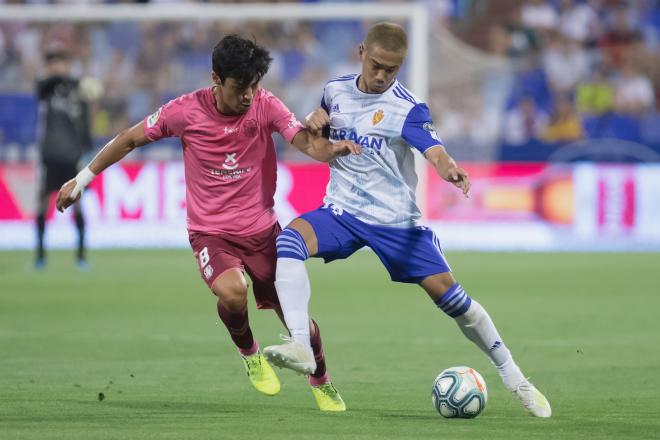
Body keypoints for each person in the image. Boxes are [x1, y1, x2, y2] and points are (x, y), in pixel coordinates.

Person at [55, 35, 360, 412]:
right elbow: (130, 139)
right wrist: (82, 179)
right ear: (216, 78)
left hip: (263, 231)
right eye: (239, 87)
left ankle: (322, 380)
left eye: (254, 85)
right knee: (232, 292)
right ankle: (250, 354)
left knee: (296, 315)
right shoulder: (185, 111)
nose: (248, 95)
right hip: (210, 233)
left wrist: (330, 149)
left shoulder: (266, 105)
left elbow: (304, 142)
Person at [264, 22, 552, 417]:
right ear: (362, 52)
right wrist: (316, 124)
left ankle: (515, 378)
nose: (383, 75)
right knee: (289, 241)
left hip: (397, 224)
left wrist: (448, 168)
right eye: (378, 65)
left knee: (456, 303)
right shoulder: (335, 91)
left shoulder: (407, 107)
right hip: (344, 211)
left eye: (392, 69)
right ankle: (300, 345)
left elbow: (434, 150)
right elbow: (321, 140)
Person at [35, 48, 93, 270]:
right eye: (52, 64)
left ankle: (81, 256)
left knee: (77, 204)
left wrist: (87, 151)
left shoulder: (77, 92)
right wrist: (60, 75)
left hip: (72, 156)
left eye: (59, 63)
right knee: (42, 202)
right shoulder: (46, 88)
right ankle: (40, 255)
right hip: (49, 154)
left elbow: (85, 124)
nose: (55, 67)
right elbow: (41, 87)